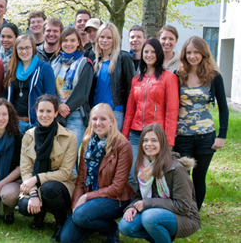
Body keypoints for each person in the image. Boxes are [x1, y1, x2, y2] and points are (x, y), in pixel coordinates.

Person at [60, 103, 135, 243]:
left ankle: (111, 228)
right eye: (94, 119)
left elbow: (117, 188)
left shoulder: (123, 146)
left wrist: (87, 197)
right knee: (67, 239)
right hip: (91, 198)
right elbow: (81, 180)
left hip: (115, 199)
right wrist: (75, 205)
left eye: (103, 119)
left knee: (81, 216)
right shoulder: (87, 143)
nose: (98, 123)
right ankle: (92, 221)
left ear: (111, 121)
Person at [119, 123, 200, 243]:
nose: (149, 144)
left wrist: (147, 203)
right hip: (154, 211)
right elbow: (140, 196)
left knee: (149, 218)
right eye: (145, 140)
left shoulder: (176, 169)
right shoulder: (143, 167)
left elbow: (183, 206)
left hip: (185, 216)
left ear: (162, 143)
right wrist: (132, 207)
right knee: (125, 226)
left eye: (154, 140)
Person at [174, 36, 229, 210]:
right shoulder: (177, 76)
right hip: (182, 136)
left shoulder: (214, 77)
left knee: (199, 177)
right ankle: (183, 209)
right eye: (189, 52)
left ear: (203, 53)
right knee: (183, 176)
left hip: (206, 136)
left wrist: (222, 135)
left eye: (196, 52)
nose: (192, 56)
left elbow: (223, 108)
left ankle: (194, 213)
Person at [123, 38, 179, 192]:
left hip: (157, 134)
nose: (149, 55)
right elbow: (130, 111)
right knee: (133, 174)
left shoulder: (169, 78)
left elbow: (172, 112)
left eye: (153, 51)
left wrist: (168, 141)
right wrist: (124, 136)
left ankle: (152, 205)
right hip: (135, 134)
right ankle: (136, 204)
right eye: (146, 51)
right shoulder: (137, 80)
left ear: (159, 54)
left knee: (156, 172)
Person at [18, 94, 77, 242]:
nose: (45, 115)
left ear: (56, 113)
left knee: (49, 188)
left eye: (49, 111)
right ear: (36, 112)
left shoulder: (69, 137)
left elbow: (64, 173)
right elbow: (25, 170)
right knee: (25, 206)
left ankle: (61, 222)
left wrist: (37, 178)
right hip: (35, 185)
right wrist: (32, 194)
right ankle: (39, 214)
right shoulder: (28, 136)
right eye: (41, 111)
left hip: (61, 185)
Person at [51, 27, 94, 149]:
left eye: (72, 40)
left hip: (75, 115)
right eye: (65, 40)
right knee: (56, 154)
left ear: (78, 43)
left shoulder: (84, 63)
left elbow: (83, 92)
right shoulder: (55, 63)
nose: (68, 44)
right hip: (55, 113)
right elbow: (49, 87)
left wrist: (66, 108)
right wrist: (58, 105)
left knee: (70, 155)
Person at [3, 34, 56, 134]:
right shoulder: (11, 68)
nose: (24, 51)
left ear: (33, 48)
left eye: (27, 48)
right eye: (21, 48)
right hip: (15, 122)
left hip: (36, 122)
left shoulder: (44, 68)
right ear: (16, 50)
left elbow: (50, 96)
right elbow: (5, 95)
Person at [91, 22, 135, 132]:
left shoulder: (123, 58)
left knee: (112, 147)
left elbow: (131, 89)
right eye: (102, 37)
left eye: (109, 38)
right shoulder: (95, 62)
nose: (104, 41)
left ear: (114, 39)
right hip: (96, 112)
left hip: (115, 112)